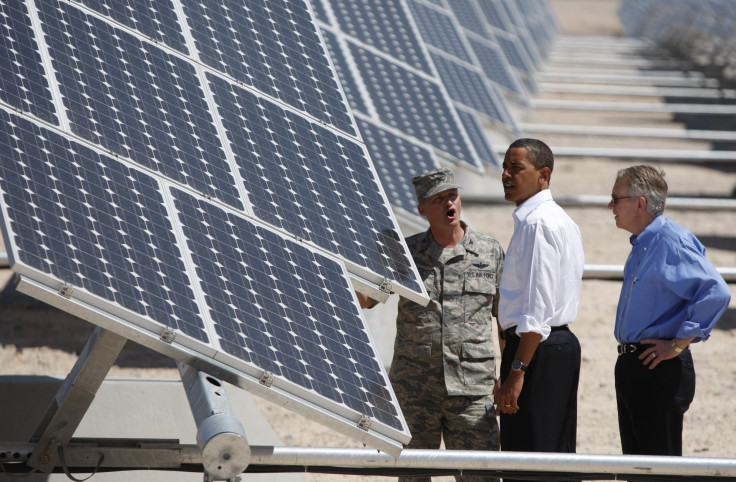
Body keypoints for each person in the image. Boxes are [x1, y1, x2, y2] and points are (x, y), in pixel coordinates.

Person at [357, 167, 504, 482]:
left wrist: (507, 376)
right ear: (423, 210)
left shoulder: (489, 251)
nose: (449, 204)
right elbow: (365, 299)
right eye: (439, 200)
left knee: (480, 476)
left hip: (472, 390)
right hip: (415, 389)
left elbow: (503, 319)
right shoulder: (405, 253)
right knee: (412, 475)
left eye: (452, 196)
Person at [609, 165, 731, 456]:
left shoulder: (670, 240)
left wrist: (678, 344)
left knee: (659, 467)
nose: (610, 205)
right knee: (638, 469)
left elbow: (716, 291)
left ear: (640, 203)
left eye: (616, 198)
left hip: (657, 366)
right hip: (636, 365)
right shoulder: (644, 243)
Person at [494, 139, 584, 469]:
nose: (506, 175)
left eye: (516, 168)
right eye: (505, 167)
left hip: (537, 351)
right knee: (551, 455)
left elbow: (537, 306)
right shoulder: (554, 219)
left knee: (531, 459)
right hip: (548, 347)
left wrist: (517, 371)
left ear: (543, 174)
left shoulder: (538, 224)